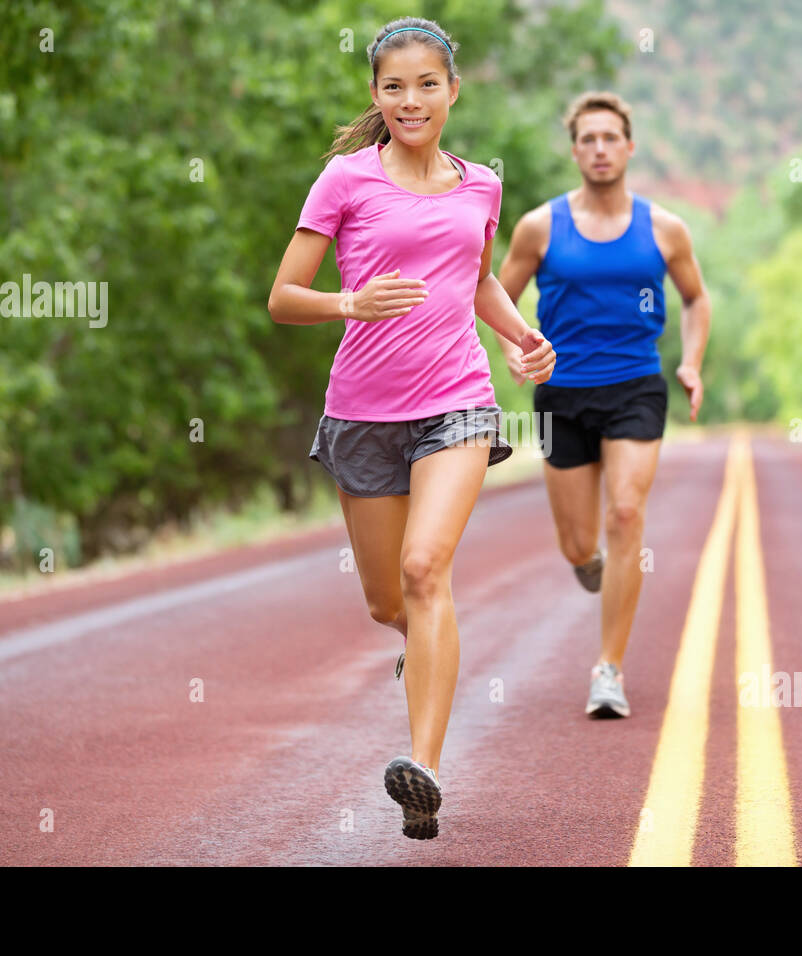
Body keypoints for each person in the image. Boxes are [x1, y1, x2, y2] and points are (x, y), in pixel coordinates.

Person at [267, 17, 555, 840]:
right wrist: (347, 301)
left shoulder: (480, 186)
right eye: (394, 86)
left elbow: (476, 283)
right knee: (387, 599)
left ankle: (422, 768)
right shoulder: (345, 181)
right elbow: (285, 296)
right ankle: (423, 650)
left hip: (457, 399)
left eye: (427, 83)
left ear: (452, 90)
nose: (411, 99)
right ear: (375, 95)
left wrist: (522, 337)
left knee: (428, 570)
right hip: (361, 411)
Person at [496, 91, 709, 719]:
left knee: (625, 514)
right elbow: (494, 299)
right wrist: (514, 349)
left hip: (636, 385)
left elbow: (697, 300)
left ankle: (608, 669)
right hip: (560, 393)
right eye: (587, 138)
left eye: (609, 137)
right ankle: (586, 562)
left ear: (629, 147)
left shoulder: (665, 229)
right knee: (577, 543)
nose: (599, 148)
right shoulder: (540, 226)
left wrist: (690, 361)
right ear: (575, 150)